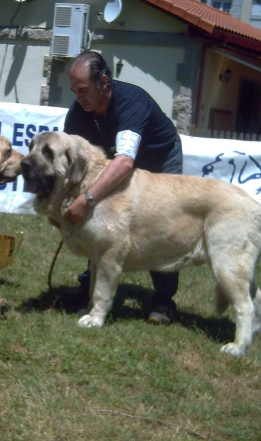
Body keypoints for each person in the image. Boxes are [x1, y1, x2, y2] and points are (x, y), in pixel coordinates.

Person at [63, 51, 183, 324]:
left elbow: (125, 162)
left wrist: (87, 198)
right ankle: (92, 287)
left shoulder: (131, 102)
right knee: (98, 223)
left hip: (159, 158)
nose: (78, 97)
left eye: (83, 90)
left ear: (104, 82)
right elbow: (72, 160)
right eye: (74, 91)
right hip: (117, 160)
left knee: (161, 226)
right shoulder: (78, 113)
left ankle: (164, 301)